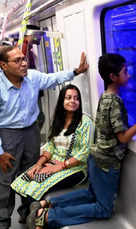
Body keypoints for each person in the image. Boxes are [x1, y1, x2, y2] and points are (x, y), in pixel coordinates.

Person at [26, 53, 136, 229]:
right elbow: (123, 137)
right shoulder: (115, 102)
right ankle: (49, 216)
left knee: (90, 194)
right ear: (113, 76)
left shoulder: (104, 96)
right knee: (104, 209)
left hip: (96, 158)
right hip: (106, 162)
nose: (129, 75)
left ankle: (45, 204)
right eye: (125, 72)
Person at [0, 45, 89, 229]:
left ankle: (26, 213)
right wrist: (0, 152)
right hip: (8, 133)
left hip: (31, 131)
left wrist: (76, 71)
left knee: (30, 172)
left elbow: (52, 79)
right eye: (17, 60)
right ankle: (3, 221)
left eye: (24, 58)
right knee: (5, 179)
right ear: (3, 65)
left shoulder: (32, 77)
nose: (24, 63)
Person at [10, 84, 92, 221]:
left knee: (35, 187)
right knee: (25, 177)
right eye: (68, 98)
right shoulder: (58, 121)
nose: (73, 101)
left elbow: (85, 153)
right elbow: (51, 147)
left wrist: (60, 166)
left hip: (75, 168)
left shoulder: (86, 122)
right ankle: (29, 214)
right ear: (62, 101)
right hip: (53, 162)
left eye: (76, 98)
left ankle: (35, 218)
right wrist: (39, 164)